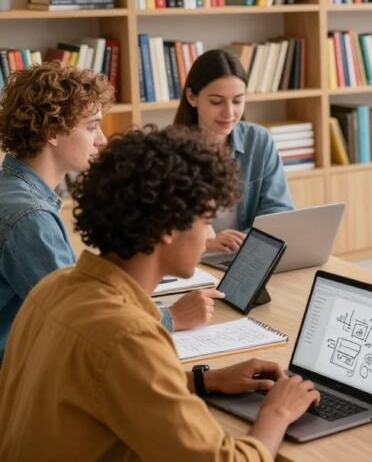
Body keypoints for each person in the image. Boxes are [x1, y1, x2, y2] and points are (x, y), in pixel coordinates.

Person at [0, 125, 320, 460]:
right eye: (206, 218)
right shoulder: (128, 336)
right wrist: (277, 412)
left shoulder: (54, 287)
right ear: (168, 228)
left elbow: (108, 385)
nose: (211, 232)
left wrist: (203, 380)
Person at [0, 63, 214, 361]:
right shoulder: (28, 216)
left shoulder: (14, 192)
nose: (101, 139)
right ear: (52, 131)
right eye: (91, 126)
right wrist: (171, 318)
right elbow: (80, 319)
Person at [174, 49, 294, 254]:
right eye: (216, 101)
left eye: (238, 100)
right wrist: (205, 244)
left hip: (245, 256)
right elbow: (158, 229)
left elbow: (279, 211)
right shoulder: (168, 153)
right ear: (192, 97)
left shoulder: (259, 140)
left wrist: (240, 242)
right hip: (192, 263)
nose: (229, 113)